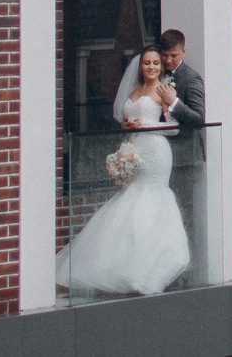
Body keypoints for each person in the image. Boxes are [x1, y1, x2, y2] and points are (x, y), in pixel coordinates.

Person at [57, 46, 192, 297]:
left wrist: (144, 125)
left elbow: (173, 128)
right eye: (147, 63)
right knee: (131, 199)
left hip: (156, 152)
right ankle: (124, 266)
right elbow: (128, 121)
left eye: (155, 63)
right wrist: (127, 129)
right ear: (140, 66)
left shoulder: (163, 90)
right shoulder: (134, 91)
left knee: (150, 198)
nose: (151, 67)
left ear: (161, 67)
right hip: (135, 149)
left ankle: (149, 270)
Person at [112, 29, 204, 128]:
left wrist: (174, 102)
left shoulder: (191, 78)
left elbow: (199, 120)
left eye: (173, 56)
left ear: (183, 51)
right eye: (165, 55)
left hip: (180, 138)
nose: (168, 60)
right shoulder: (151, 74)